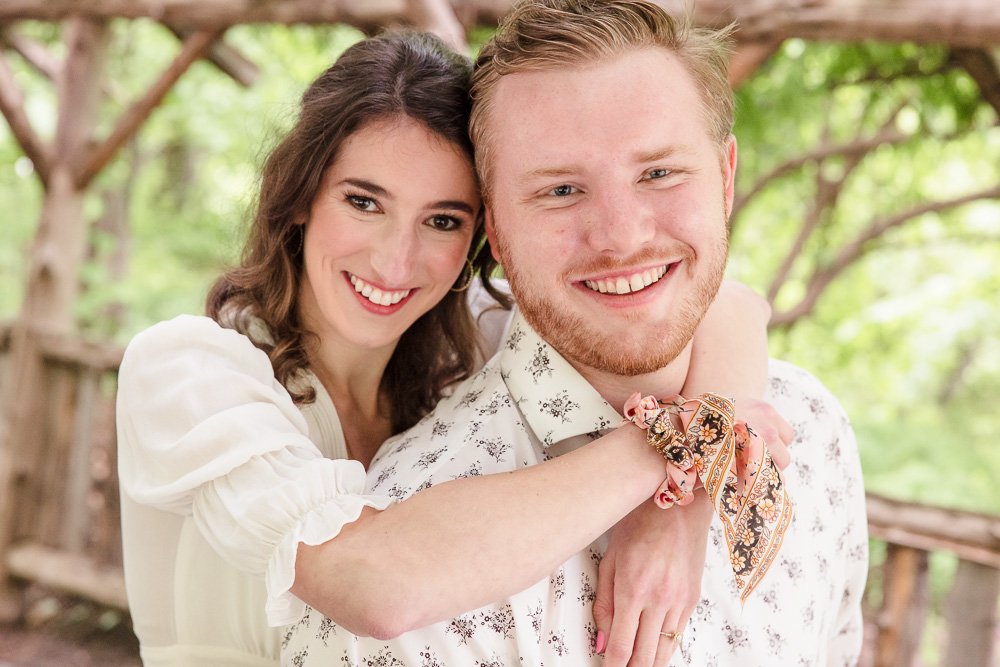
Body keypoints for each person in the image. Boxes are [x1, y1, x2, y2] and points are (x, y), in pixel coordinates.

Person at [116, 29, 787, 667]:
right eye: (364, 201)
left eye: (442, 220)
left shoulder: (473, 344)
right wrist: (669, 456)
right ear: (300, 198)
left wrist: (678, 513)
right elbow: (372, 584)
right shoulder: (189, 372)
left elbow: (730, 305)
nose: (395, 259)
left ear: (481, 235)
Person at [281, 1, 869, 666]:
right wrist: (673, 455)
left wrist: (682, 487)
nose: (622, 237)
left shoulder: (812, 428)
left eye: (659, 172)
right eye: (561, 190)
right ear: (494, 231)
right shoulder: (403, 577)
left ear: (725, 180)